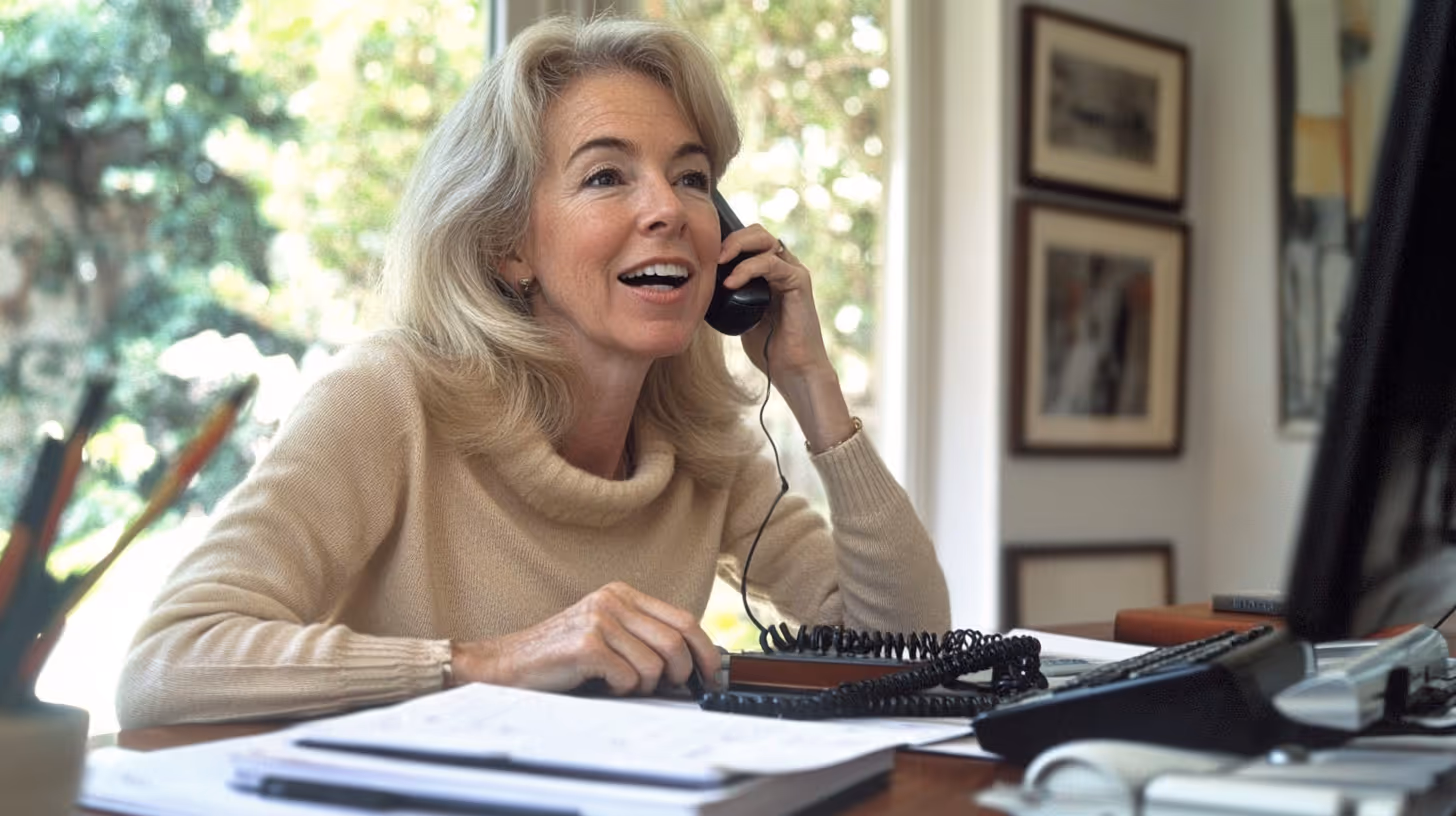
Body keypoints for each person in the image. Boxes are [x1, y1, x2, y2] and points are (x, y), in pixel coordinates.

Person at [116, 14, 950, 729]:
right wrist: (489, 663)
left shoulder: (700, 445)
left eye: (691, 178)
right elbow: (167, 662)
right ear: (508, 246)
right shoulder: (390, 397)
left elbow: (913, 651)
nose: (666, 208)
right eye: (606, 176)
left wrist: (811, 388)